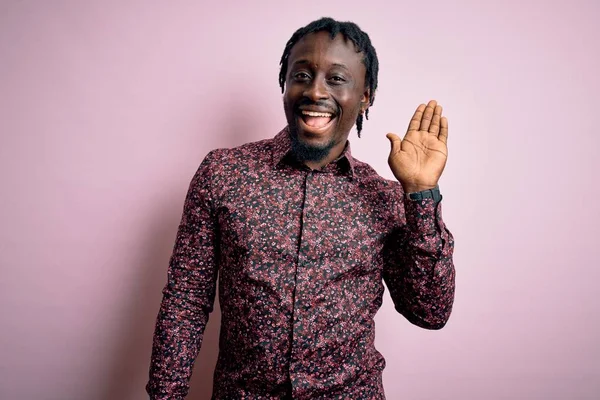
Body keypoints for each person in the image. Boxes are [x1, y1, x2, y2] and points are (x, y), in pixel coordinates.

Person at [146, 17, 455, 400]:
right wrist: (165, 394)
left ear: (365, 96)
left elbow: (430, 312)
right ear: (285, 85)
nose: (315, 91)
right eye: (302, 75)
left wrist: (421, 194)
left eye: (337, 79)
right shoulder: (223, 174)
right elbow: (186, 300)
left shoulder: (386, 198)